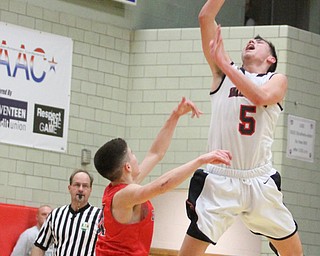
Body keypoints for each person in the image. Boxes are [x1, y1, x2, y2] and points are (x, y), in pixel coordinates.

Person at [178, 1, 304, 256]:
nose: (251, 41)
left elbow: (259, 97)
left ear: (271, 58)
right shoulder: (223, 75)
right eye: (249, 41)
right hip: (221, 178)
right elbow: (205, 16)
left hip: (259, 178)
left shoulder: (275, 79)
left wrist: (226, 64)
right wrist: (224, 65)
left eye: (258, 42)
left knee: (294, 253)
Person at [93, 97, 232, 256]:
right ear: (128, 167)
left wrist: (175, 116)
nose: (136, 157)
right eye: (132, 154)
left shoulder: (122, 189)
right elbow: (162, 185)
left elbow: (156, 153)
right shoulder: (124, 196)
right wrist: (201, 160)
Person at [31, 169, 101, 256]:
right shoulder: (56, 214)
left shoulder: (99, 216)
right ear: (69, 188)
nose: (81, 189)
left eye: (85, 186)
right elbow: (39, 246)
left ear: (90, 190)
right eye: (77, 185)